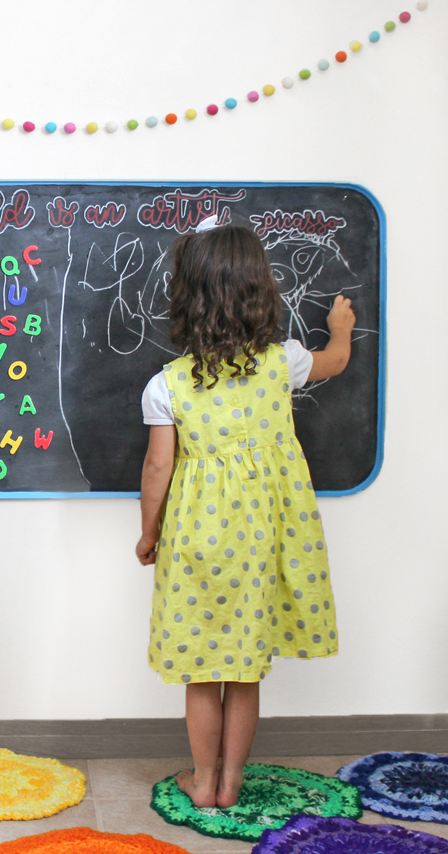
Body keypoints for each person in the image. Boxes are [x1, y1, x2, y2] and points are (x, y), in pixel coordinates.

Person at [135, 223, 355, 809]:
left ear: (188, 296)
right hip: (265, 539)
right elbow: (335, 360)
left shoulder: (168, 384)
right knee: (245, 666)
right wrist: (341, 331)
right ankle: (233, 782)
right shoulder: (283, 362)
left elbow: (158, 469)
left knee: (204, 669)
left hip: (198, 538)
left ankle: (203, 782)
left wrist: (149, 533)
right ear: (260, 290)